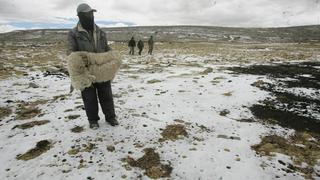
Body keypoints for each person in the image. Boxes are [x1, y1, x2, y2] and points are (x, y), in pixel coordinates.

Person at [67, 3, 119, 129]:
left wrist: (113, 57)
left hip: (101, 70)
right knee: (89, 97)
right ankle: (93, 120)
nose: (91, 16)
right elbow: (71, 53)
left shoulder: (100, 32)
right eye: (88, 14)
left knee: (106, 94)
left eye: (92, 13)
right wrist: (80, 66)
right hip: (85, 71)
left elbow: (106, 48)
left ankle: (111, 117)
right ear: (80, 16)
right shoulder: (73, 33)